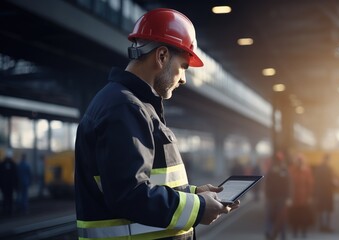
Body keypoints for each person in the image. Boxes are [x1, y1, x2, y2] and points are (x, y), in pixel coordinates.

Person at [74, 8, 239, 240]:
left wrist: (194, 194)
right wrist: (199, 208)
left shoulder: (135, 106)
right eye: (183, 67)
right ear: (161, 56)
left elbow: (147, 183)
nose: (183, 79)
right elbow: (130, 195)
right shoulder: (124, 108)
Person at [264, 150, 290, 240]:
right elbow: (288, 183)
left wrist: (288, 197)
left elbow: (288, 184)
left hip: (276, 197)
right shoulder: (279, 169)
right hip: (276, 197)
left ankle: (273, 234)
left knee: (275, 217)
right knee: (277, 217)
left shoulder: (280, 169)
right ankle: (274, 234)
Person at [288, 154, 314, 238]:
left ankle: (304, 233)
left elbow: (310, 184)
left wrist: (310, 196)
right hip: (294, 199)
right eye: (298, 162)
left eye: (300, 162)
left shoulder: (306, 171)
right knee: (294, 217)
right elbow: (288, 184)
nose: (299, 163)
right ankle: (295, 232)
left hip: (304, 199)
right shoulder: (291, 170)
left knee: (304, 217)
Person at [314, 153, 334, 232]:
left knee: (321, 209)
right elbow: (330, 181)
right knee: (328, 210)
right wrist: (334, 184)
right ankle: (327, 226)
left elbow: (316, 180)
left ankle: (321, 226)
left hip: (320, 192)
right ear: (327, 160)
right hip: (328, 192)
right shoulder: (329, 168)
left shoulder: (318, 168)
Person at [0, 149, 18, 216]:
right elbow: (15, 176)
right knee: (9, 198)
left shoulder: (2, 164)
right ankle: (9, 211)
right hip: (10, 185)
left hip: (4, 185)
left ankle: (5, 210)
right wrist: (15, 185)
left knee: (5, 198)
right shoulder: (13, 164)